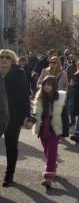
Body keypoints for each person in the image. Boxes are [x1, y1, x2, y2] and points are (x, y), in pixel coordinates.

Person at [0, 49, 30, 187]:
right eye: (1, 57)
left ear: (12, 60)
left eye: (7, 57)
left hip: (13, 115)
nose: (4, 59)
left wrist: (27, 116)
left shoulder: (19, 74)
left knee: (11, 145)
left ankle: (9, 172)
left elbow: (24, 96)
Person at [32, 76, 66, 189]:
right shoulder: (39, 97)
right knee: (47, 150)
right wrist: (31, 120)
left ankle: (48, 176)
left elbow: (65, 115)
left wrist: (65, 131)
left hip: (54, 128)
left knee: (52, 149)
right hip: (43, 128)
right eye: (45, 84)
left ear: (54, 86)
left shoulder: (59, 97)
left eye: (49, 85)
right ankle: (53, 165)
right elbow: (35, 113)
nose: (46, 86)